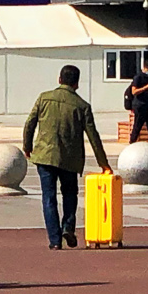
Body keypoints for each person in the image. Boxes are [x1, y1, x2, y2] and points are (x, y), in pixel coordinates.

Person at [21, 63, 111, 250]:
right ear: (77, 84)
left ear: (59, 79)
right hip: (70, 158)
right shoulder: (82, 106)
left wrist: (27, 147)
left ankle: (54, 240)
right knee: (70, 194)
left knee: (49, 197)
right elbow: (93, 137)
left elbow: (30, 123)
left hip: (45, 156)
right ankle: (68, 226)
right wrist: (104, 164)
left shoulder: (44, 98)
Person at [125, 61, 148, 144]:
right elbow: (134, 91)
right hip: (140, 104)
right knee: (138, 125)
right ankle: (132, 141)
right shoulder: (138, 77)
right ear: (145, 68)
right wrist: (146, 87)